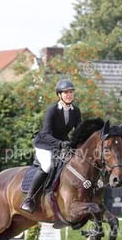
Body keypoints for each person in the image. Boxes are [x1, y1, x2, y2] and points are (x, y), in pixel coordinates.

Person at [20, 79, 82, 213]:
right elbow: (46, 134)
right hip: (45, 143)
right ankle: (29, 198)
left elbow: (79, 131)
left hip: (62, 144)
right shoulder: (52, 110)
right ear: (59, 95)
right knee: (47, 166)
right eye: (66, 92)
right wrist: (60, 144)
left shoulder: (76, 111)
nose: (69, 95)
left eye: (71, 92)